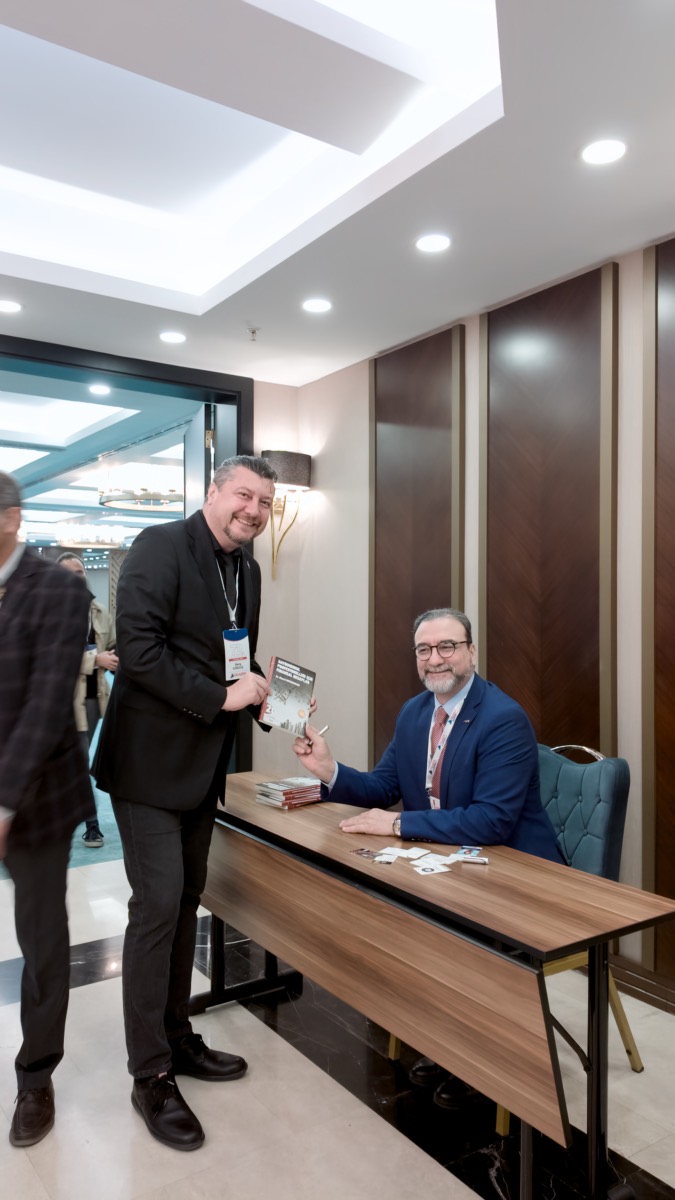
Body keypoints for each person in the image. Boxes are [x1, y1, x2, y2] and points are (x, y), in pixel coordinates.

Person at [293, 605, 560, 1107]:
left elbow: (491, 822)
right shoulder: (414, 713)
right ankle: (443, 1038)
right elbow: (383, 786)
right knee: (393, 914)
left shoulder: (503, 718)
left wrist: (397, 825)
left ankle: (482, 1061)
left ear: (471, 653)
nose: (435, 658)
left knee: (455, 933)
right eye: (424, 649)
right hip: (448, 865)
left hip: (516, 874)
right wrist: (329, 770)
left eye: (447, 646)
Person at [93, 455, 277, 1152]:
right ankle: (150, 1074)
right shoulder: (160, 545)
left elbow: (236, 660)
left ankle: (176, 1035)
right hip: (146, 768)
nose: (253, 510)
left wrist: (268, 704)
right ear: (213, 492)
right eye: (243, 495)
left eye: (265, 502)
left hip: (203, 769)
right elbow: (137, 651)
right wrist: (220, 698)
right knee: (157, 907)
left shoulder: (247, 571)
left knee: (185, 903)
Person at [0, 472, 91, 1148]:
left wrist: (3, 800)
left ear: (10, 518)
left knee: (41, 942)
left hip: (34, 801)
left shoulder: (60, 590)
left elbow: (45, 704)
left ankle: (36, 1077)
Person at [56, 552, 118, 848]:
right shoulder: (50, 612)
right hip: (62, 700)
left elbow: (114, 646)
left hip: (95, 698)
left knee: (79, 761)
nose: (75, 578)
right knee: (78, 761)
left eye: (79, 572)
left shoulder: (100, 612)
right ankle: (91, 825)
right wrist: (96, 660)